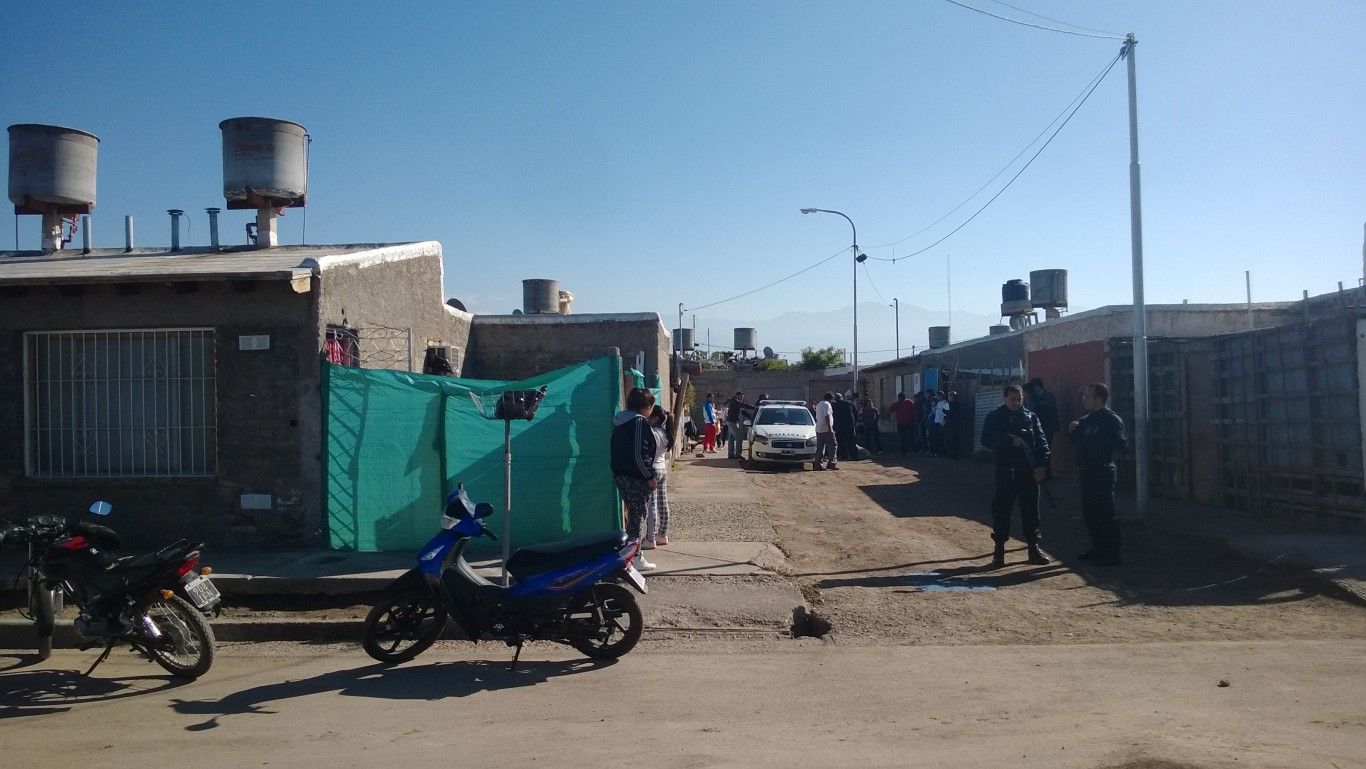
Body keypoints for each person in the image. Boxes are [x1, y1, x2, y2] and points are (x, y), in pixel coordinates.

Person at [981, 384, 1052, 568]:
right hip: (1006, 471)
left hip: (1029, 472)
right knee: (1002, 510)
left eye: (1019, 399)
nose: (1016, 403)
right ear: (1004, 398)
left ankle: (1033, 548)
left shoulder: (1030, 417)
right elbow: (986, 439)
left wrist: (1042, 466)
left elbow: (1042, 443)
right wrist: (1008, 440)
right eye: (1013, 399)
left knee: (1031, 512)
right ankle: (999, 551)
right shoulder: (995, 417)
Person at [1069, 382, 1127, 566]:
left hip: (1103, 470)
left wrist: (1099, 450)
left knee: (1105, 512)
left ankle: (1112, 551)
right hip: (1087, 471)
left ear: (1099, 399)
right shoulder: (1085, 420)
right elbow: (1079, 444)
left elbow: (1118, 444)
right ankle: (1098, 547)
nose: (1083, 399)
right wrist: (1073, 431)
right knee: (1090, 513)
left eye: (1087, 396)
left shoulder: (1111, 420)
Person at [611, 388, 659, 571]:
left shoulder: (620, 421)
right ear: (646, 407)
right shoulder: (638, 422)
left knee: (632, 516)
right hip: (636, 477)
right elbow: (639, 454)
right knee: (637, 518)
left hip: (621, 475)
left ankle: (630, 556)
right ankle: (634, 558)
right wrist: (649, 476)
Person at [644, 405, 675, 549]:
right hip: (662, 468)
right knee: (663, 502)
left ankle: (650, 538)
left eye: (649, 415)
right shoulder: (665, 433)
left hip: (653, 469)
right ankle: (662, 534)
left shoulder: (652, 432)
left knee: (652, 504)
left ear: (655, 418)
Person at [1026, 378, 1061, 448]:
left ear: (1037, 386)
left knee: (1045, 448)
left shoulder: (1049, 397)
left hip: (1047, 428)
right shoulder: (1033, 397)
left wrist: (1054, 428)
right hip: (1036, 428)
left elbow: (1053, 414)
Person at [724, 390, 756, 459]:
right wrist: (755, 407)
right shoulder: (735, 401)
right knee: (739, 438)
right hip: (733, 422)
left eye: (742, 397)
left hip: (731, 422)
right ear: (737, 395)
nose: (742, 398)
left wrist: (751, 417)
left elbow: (742, 411)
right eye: (741, 397)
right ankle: (738, 454)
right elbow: (743, 405)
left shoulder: (734, 402)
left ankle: (731, 454)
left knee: (731, 439)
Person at [813, 391, 838, 470]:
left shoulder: (819, 404)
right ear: (831, 399)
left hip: (819, 428)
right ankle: (831, 463)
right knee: (833, 445)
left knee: (820, 447)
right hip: (826, 429)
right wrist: (830, 428)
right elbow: (827, 416)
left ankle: (817, 464)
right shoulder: (827, 404)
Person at [832, 392, 859, 461]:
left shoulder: (834, 405)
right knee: (852, 441)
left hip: (839, 426)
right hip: (850, 425)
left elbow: (832, 416)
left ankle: (844, 456)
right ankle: (854, 456)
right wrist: (855, 423)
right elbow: (856, 414)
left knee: (841, 441)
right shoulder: (849, 403)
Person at [929, 392, 950, 456]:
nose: (937, 397)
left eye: (937, 396)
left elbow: (946, 414)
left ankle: (942, 452)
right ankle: (937, 452)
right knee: (936, 438)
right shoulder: (938, 403)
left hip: (941, 424)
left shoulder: (945, 404)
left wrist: (943, 422)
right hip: (936, 423)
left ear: (941, 396)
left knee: (941, 439)